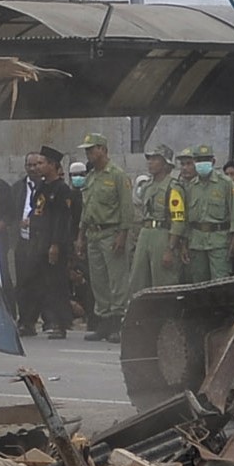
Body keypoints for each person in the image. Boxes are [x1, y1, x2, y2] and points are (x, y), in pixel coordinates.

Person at [75, 132, 133, 340]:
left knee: (117, 280)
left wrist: (123, 235)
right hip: (93, 234)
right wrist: (80, 236)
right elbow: (86, 209)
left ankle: (118, 323)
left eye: (92, 149)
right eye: (87, 150)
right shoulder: (91, 177)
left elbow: (127, 208)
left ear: (103, 149)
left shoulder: (117, 175)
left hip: (112, 232)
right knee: (98, 281)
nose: (89, 153)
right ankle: (104, 322)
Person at [15, 146, 78, 333]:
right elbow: (38, 210)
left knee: (55, 284)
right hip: (36, 243)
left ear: (52, 165)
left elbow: (62, 219)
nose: (39, 167)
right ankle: (28, 322)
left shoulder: (61, 189)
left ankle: (60, 323)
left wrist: (55, 244)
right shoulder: (42, 187)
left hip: (52, 244)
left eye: (42, 163)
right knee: (31, 283)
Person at [179, 143, 234, 282]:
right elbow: (186, 219)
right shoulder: (191, 186)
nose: (201, 163)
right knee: (199, 283)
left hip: (219, 243)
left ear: (213, 162)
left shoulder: (225, 183)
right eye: (198, 160)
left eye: (206, 160)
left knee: (220, 283)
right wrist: (184, 245)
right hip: (196, 243)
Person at [132, 143, 180, 294]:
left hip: (162, 234)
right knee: (137, 278)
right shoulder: (147, 186)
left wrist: (170, 248)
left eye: (155, 159)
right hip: (145, 232)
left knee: (163, 281)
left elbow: (178, 220)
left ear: (166, 164)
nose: (150, 162)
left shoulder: (173, 187)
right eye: (149, 159)